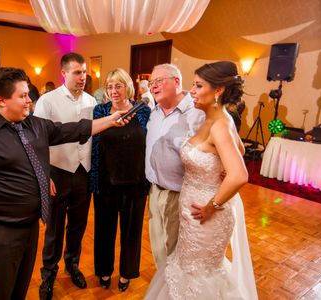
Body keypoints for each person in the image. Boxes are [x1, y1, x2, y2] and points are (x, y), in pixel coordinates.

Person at [0, 67, 130, 300]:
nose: (30, 100)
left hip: (28, 228)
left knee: (18, 289)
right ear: (0, 100)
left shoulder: (33, 125)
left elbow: (72, 129)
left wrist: (110, 121)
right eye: (23, 95)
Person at [145, 61, 257, 299]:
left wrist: (211, 206)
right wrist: (220, 166)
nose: (192, 91)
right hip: (192, 210)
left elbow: (239, 175)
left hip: (205, 215)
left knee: (200, 274)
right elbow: (239, 152)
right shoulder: (215, 118)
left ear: (218, 91)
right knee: (185, 270)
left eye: (198, 86)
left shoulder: (219, 126)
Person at [34, 52, 97, 300]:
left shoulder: (93, 101)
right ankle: (48, 275)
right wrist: (44, 175)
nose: (83, 77)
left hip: (84, 172)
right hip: (57, 173)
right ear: (64, 73)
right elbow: (37, 143)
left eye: (84, 72)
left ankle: (73, 265)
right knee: (54, 229)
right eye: (77, 72)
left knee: (78, 225)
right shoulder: (47, 101)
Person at [90, 68, 151, 292]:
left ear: (128, 87)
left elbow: (150, 144)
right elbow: (93, 140)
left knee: (132, 232)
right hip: (105, 182)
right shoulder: (100, 110)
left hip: (135, 184)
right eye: (109, 86)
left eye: (118, 85)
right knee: (104, 231)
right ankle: (104, 270)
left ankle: (126, 273)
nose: (113, 91)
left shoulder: (143, 110)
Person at [145, 64, 205, 268]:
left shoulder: (197, 113)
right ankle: (164, 288)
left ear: (177, 82)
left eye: (159, 81)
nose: (153, 87)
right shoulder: (153, 112)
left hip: (180, 195)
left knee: (177, 253)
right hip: (154, 191)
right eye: (151, 83)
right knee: (159, 250)